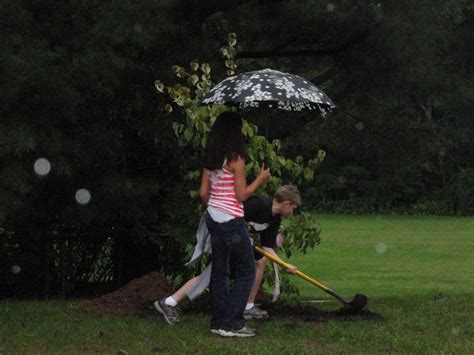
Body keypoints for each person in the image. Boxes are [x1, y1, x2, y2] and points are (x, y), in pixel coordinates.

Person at [175, 111, 270, 338]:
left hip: (213, 219)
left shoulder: (212, 158)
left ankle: (218, 322)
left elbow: (203, 193)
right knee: (247, 271)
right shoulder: (236, 158)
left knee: (220, 272)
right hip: (231, 221)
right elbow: (242, 195)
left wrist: (214, 208)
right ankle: (232, 324)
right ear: (236, 132)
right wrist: (260, 178)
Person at [154, 185, 301, 325]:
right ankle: (168, 302)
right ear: (287, 204)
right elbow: (230, 219)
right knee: (213, 273)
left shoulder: (274, 219)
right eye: (293, 208)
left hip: (236, 242)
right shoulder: (258, 204)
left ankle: (247, 307)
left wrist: (283, 265)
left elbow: (267, 247)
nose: (293, 212)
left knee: (260, 262)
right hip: (221, 236)